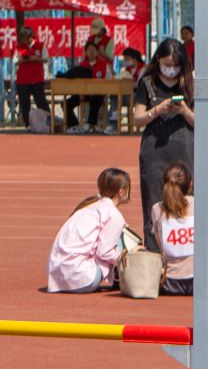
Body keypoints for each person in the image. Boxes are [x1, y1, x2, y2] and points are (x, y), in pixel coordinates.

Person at [129, 37, 195, 243]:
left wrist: (184, 110)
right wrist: (158, 110)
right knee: (154, 197)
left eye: (176, 66)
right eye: (167, 65)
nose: (171, 70)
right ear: (158, 59)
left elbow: (200, 123)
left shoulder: (190, 83)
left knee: (186, 197)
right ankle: (154, 249)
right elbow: (137, 119)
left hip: (184, 147)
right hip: (155, 148)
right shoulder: (147, 83)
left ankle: (186, 246)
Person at [46, 168, 131, 293]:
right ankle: (121, 279)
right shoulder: (113, 214)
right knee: (121, 237)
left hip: (58, 279)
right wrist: (129, 259)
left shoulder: (88, 208)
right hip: (82, 279)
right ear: (121, 191)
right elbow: (104, 253)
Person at [150, 162, 196, 295]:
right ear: (190, 185)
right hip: (199, 280)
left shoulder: (156, 209)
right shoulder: (199, 203)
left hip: (169, 282)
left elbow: (160, 244)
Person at [12, 23, 50, 131]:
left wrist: (36, 59)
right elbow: (15, 61)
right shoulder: (19, 48)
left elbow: (46, 59)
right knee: (24, 102)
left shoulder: (40, 46)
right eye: (23, 38)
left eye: (27, 38)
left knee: (40, 100)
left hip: (37, 78)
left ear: (31, 36)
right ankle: (28, 124)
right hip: (23, 80)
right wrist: (23, 60)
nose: (25, 41)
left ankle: (48, 122)